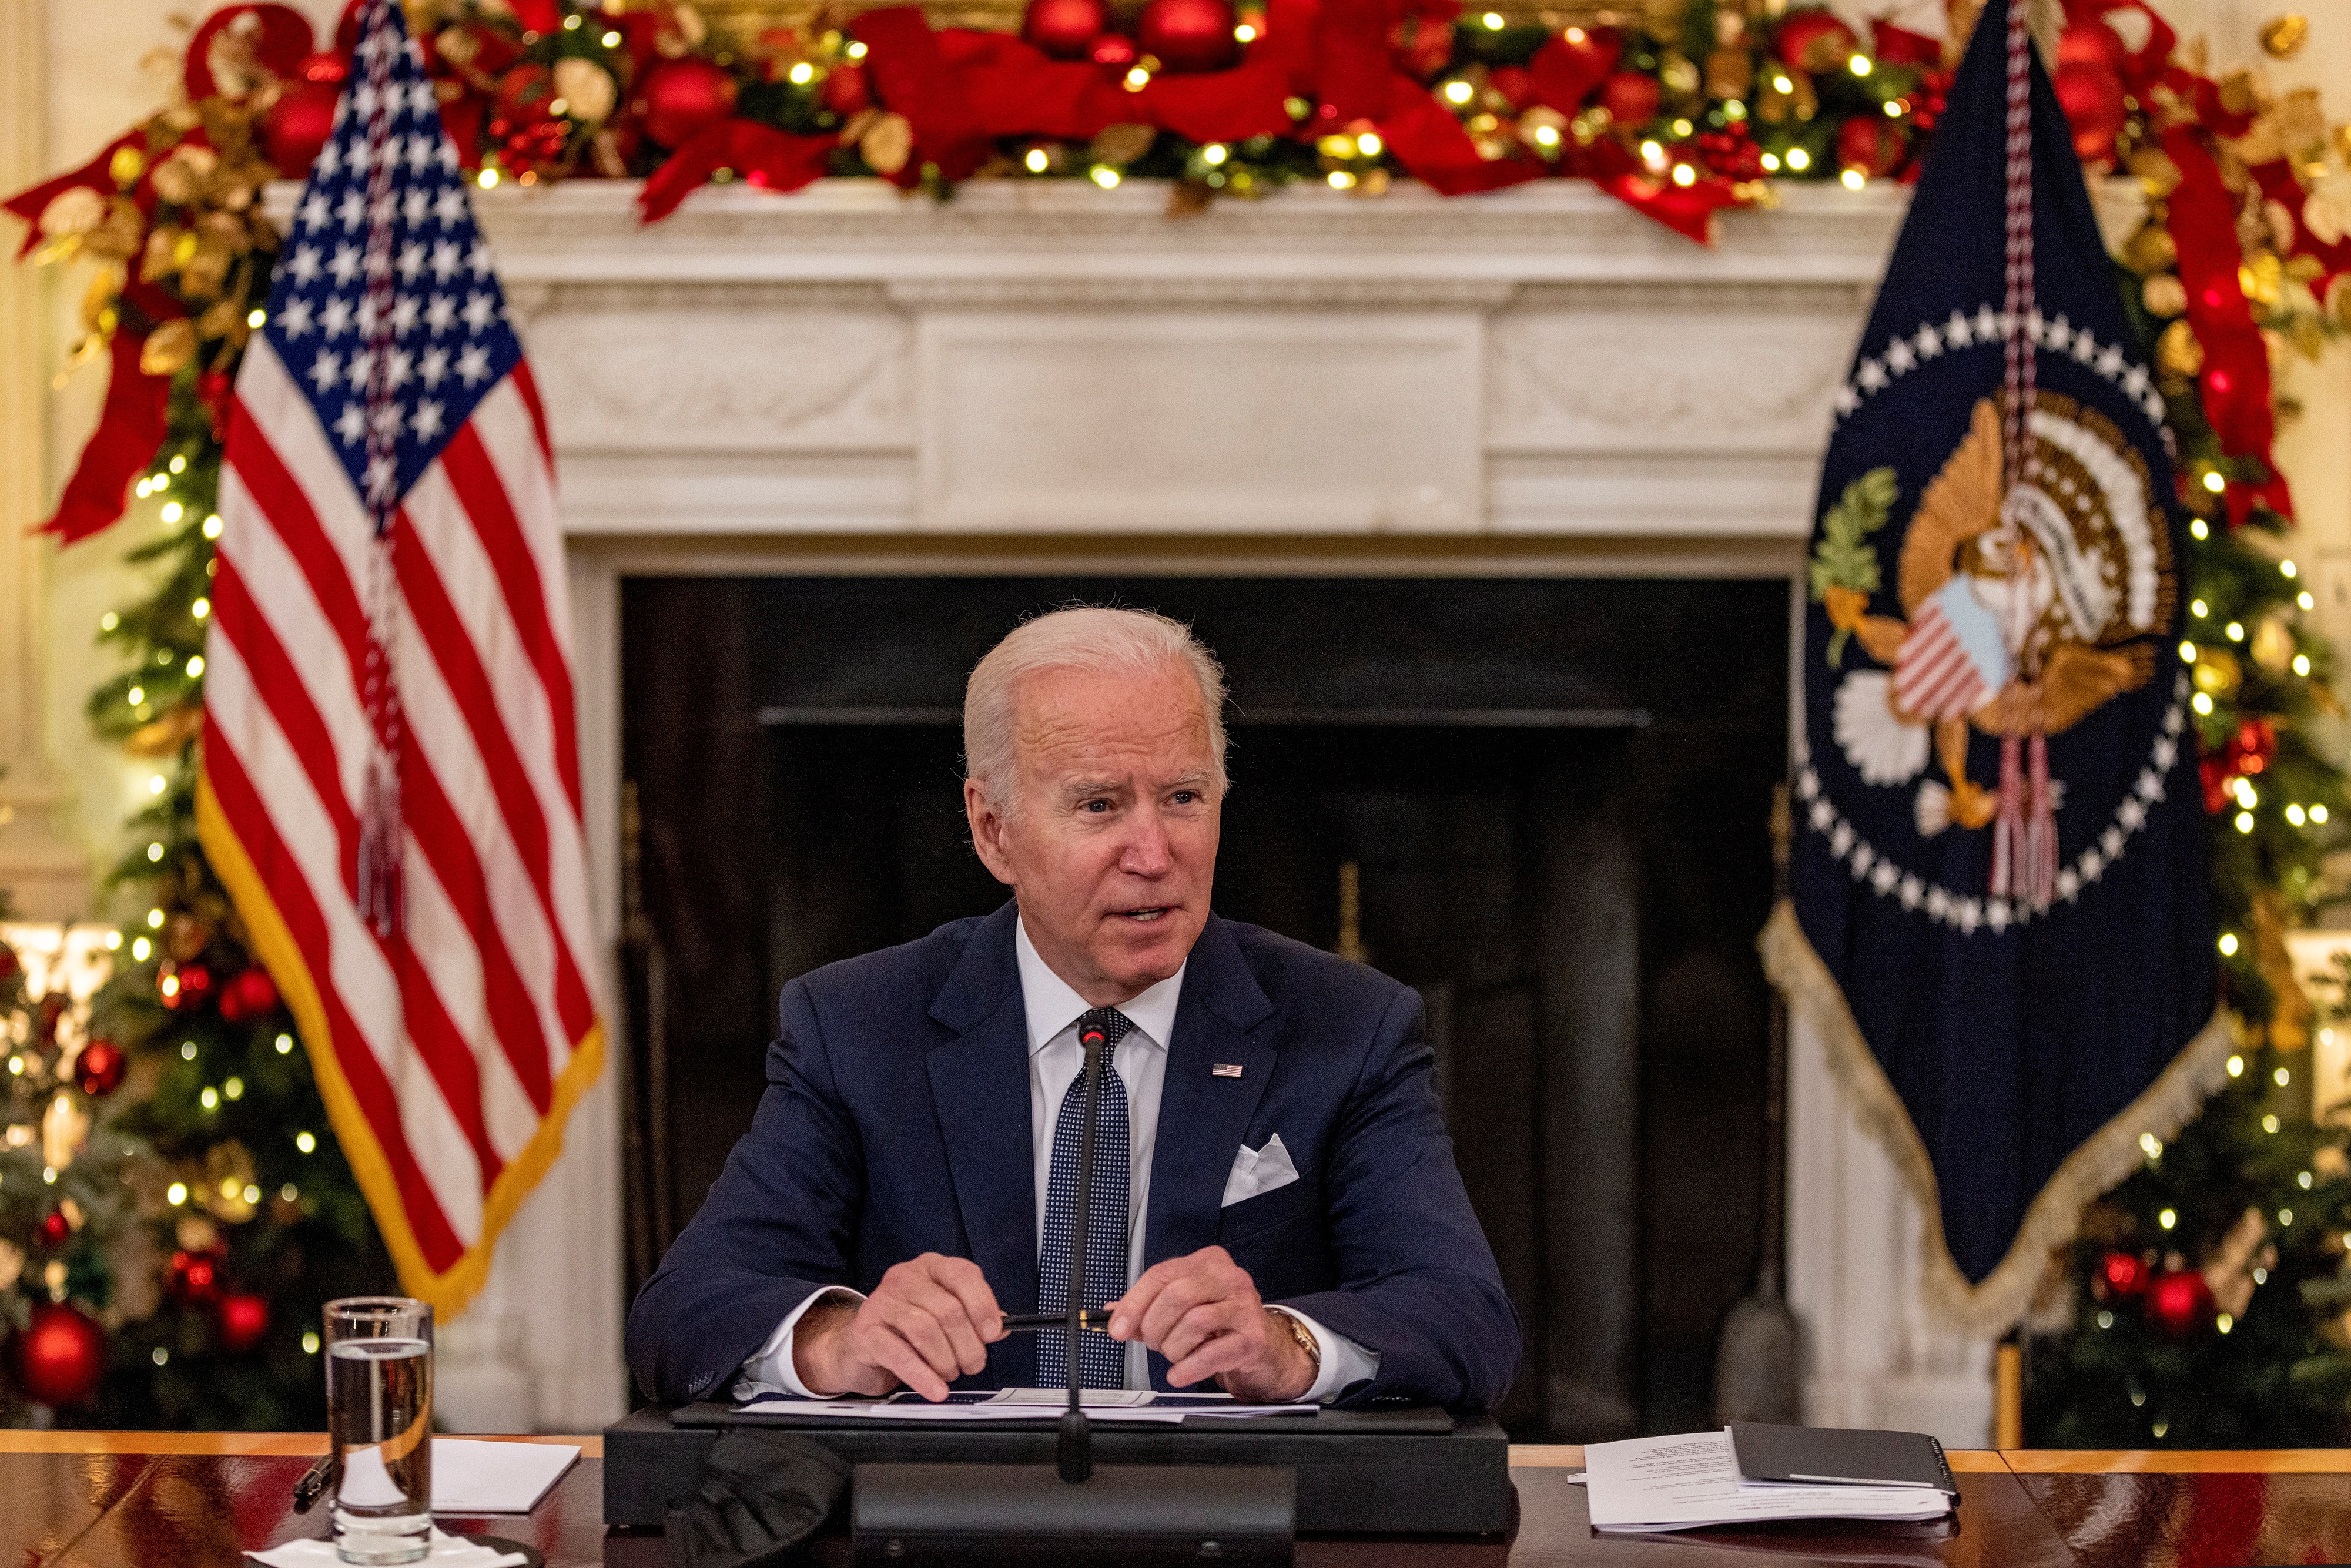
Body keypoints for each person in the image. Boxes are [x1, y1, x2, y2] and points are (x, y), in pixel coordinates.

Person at [625, 607, 1519, 1410]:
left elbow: (1463, 1317)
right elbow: (686, 1311)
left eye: (1183, 799)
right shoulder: (858, 1025)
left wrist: (1290, 1347)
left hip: (1225, 1521)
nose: (1153, 852)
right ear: (993, 830)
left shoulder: (1348, 1025)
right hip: (951, 1528)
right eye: (1100, 805)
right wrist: (835, 1341)